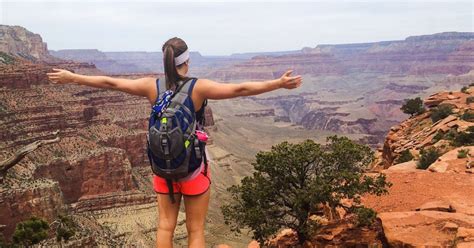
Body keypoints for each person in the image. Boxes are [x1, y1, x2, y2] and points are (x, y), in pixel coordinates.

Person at [47, 37, 302, 248]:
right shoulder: (198, 88)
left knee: (165, 226)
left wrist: (74, 77)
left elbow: (110, 83)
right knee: (196, 230)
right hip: (193, 169)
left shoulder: (151, 86)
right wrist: (278, 84)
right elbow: (240, 90)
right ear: (186, 62)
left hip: (162, 171)